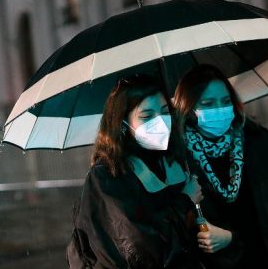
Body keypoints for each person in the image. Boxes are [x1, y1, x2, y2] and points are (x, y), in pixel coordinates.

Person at [172, 64, 268, 269]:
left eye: (225, 101)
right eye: (208, 103)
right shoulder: (178, 157)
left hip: (267, 258)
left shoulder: (257, 140)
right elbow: (175, 226)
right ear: (188, 108)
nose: (219, 109)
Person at [67, 74, 203, 269]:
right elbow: (143, 250)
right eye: (147, 116)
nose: (160, 122)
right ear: (122, 122)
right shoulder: (108, 175)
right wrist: (185, 200)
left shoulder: (173, 160)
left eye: (165, 111)